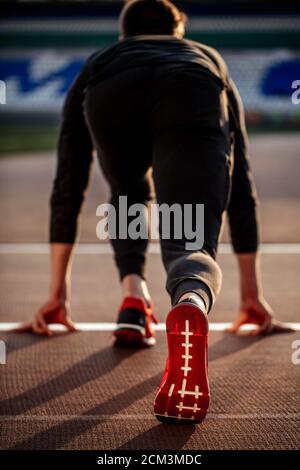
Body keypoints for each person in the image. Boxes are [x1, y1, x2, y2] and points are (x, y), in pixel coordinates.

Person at [16, 0, 293, 423]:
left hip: (111, 88)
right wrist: (251, 296)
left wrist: (57, 295)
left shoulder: (102, 59)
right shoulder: (205, 56)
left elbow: (68, 182)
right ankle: (190, 301)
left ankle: (133, 298)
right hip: (192, 85)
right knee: (190, 236)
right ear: (178, 32)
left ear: (124, 35)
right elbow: (242, 180)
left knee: (127, 189)